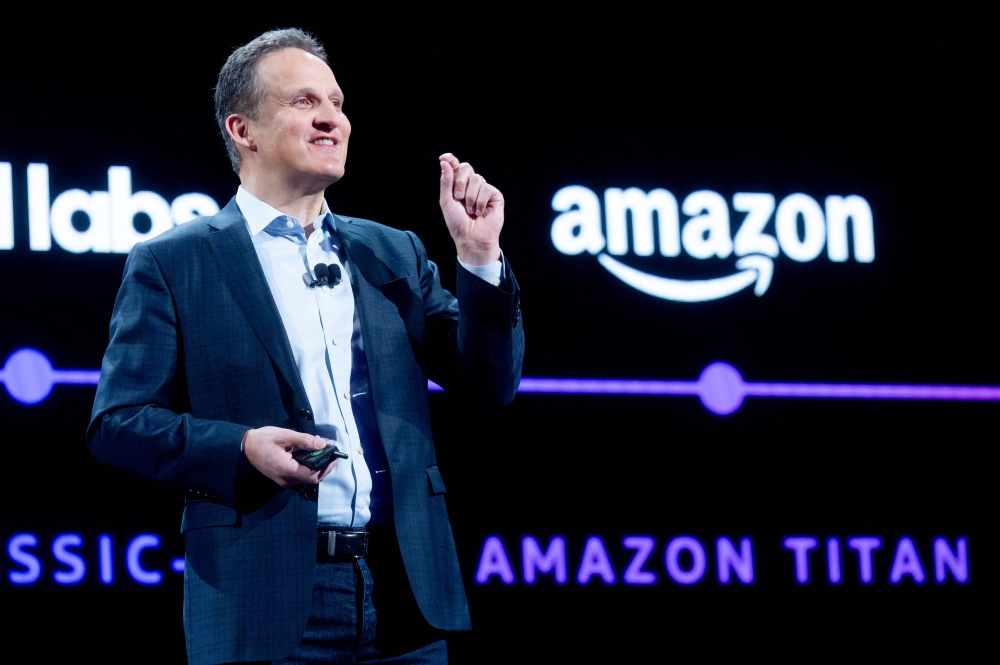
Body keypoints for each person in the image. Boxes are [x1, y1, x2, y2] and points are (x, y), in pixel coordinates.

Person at [87, 28, 523, 665]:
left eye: (338, 103)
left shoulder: (391, 250)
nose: (331, 119)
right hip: (261, 598)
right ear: (244, 130)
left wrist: (480, 258)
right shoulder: (175, 261)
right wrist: (238, 447)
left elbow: (489, 386)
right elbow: (117, 423)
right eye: (303, 102)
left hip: (405, 593)